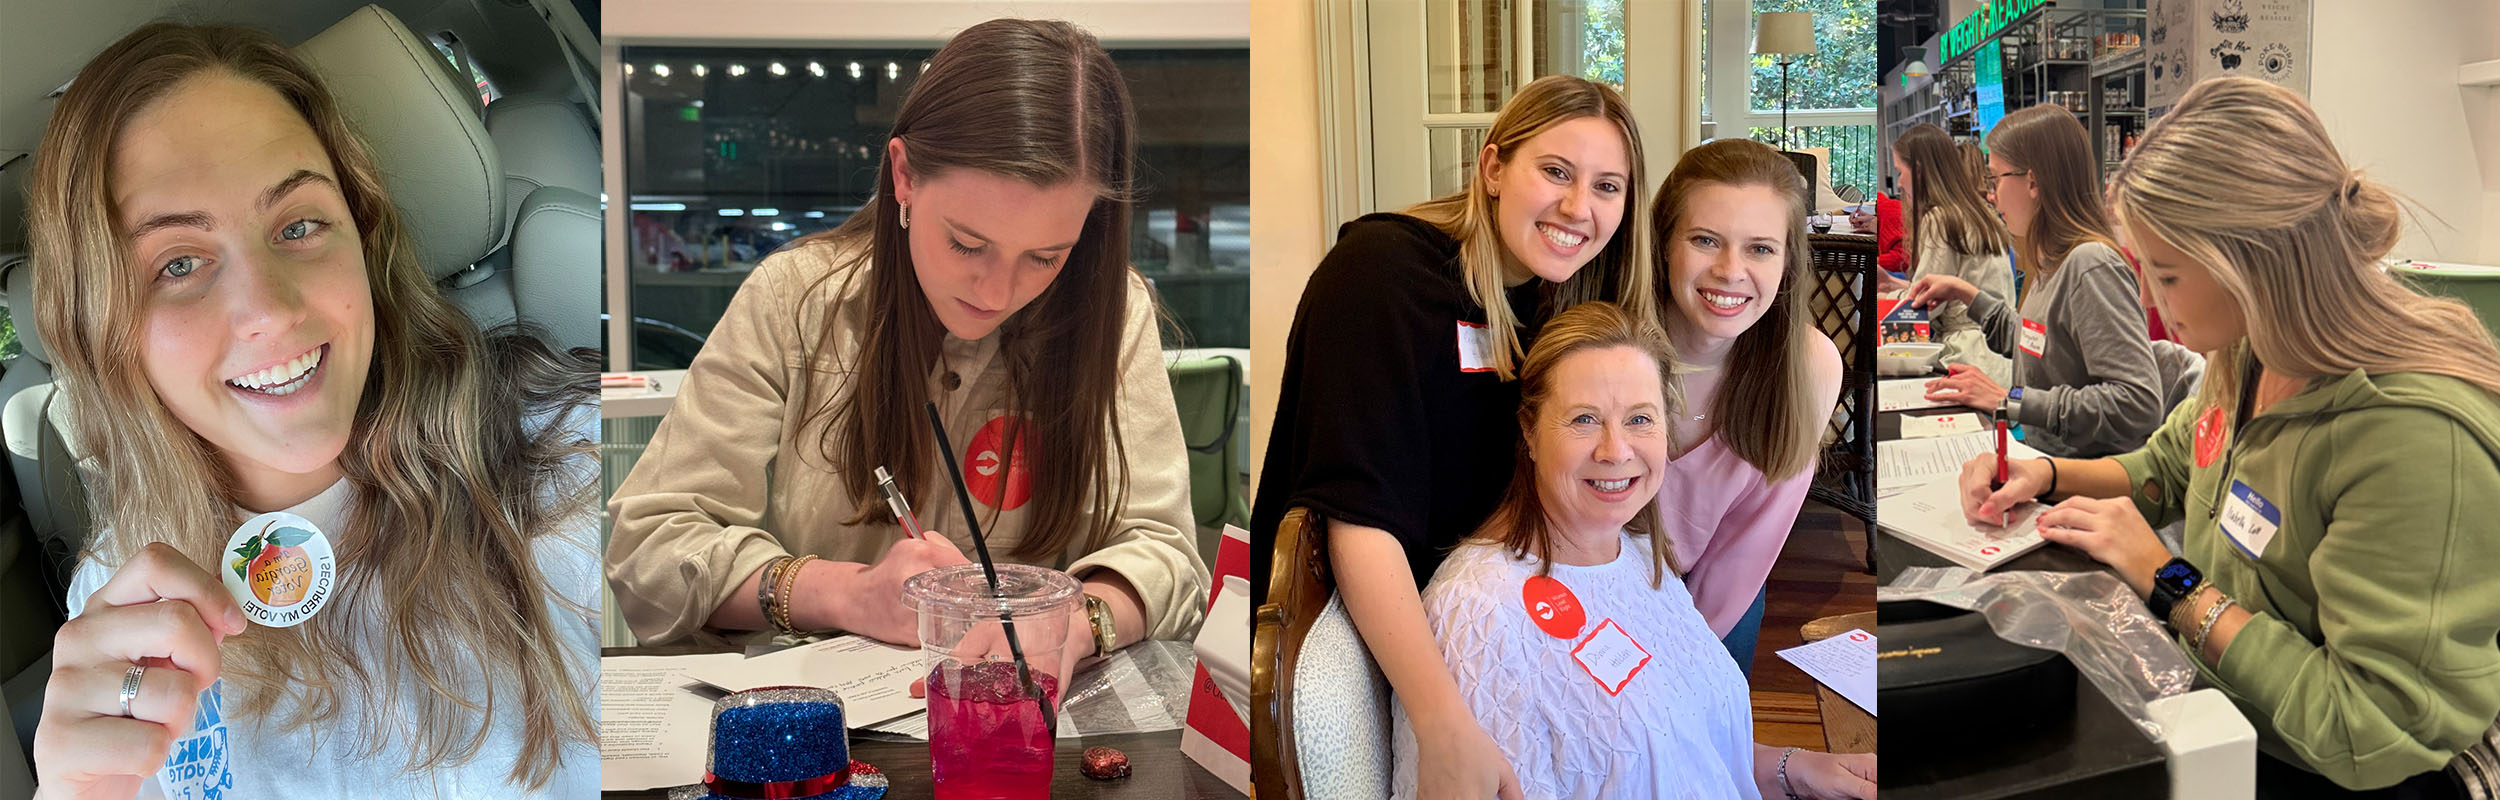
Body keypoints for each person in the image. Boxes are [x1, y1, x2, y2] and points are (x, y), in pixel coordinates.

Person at [26, 23, 599, 796]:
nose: (268, 310)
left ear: (361, 237)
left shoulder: (572, 448)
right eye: (179, 264)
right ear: (103, 327)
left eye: (298, 225)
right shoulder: (117, 597)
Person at [605, 19, 1208, 679]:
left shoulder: (1114, 312)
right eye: (967, 243)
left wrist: (1079, 621)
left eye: (1045, 256)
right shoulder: (794, 300)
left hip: (1028, 725)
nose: (998, 290)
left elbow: (1169, 556)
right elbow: (649, 547)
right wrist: (845, 592)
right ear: (904, 176)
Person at [1960, 77, 2500, 798]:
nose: (2147, 301)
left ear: (2254, 262)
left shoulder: (2413, 438)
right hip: (2231, 716)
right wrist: (2048, 476)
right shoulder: (2248, 352)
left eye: (2168, 275)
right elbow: (2169, 466)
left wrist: (2171, 581)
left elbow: (2366, 729)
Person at [1255, 74, 1654, 800]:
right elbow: (1359, 516)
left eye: (1607, 187)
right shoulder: (1380, 275)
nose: (1577, 207)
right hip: (1387, 638)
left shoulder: (1557, 293)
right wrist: (1442, 721)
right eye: (1555, 172)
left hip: (1493, 612)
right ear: (1493, 167)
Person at [1393, 301, 1873, 800]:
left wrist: (1793, 769)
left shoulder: (1639, 555)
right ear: (1529, 432)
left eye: (1640, 419)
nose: (1615, 450)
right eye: (1583, 419)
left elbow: (1676, 750)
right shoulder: (1480, 614)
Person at [1646, 139, 1843, 669]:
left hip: (1720, 587)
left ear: (1788, 262)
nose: (1731, 270)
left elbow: (1748, 544)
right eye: (1706, 240)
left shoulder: (1808, 365)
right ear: (1664, 244)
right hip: (1595, 588)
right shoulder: (1610, 351)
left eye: (1760, 248)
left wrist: (1680, 668)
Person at [1907, 103, 2170, 458]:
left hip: (2078, 480)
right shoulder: (2053, 261)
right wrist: (1967, 294)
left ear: (2032, 181)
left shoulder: (2091, 265)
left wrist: (2012, 398)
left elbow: (2138, 403)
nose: (1990, 194)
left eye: (1995, 178)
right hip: (2041, 460)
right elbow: (2034, 345)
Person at [1892, 124, 2016, 383]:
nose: (1900, 183)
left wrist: (1885, 297)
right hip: (2000, 360)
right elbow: (1954, 282)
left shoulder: (1941, 218)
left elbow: (1926, 304)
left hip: (1966, 358)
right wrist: (1894, 285)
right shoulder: (1980, 212)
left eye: (1900, 172)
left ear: (1919, 171)